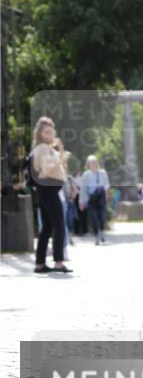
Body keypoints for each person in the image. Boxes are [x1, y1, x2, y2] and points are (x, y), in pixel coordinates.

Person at [29, 117, 71, 273]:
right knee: (59, 224)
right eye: (46, 131)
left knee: (47, 227)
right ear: (40, 133)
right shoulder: (42, 148)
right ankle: (59, 262)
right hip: (47, 187)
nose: (50, 133)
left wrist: (59, 152)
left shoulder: (47, 148)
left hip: (48, 188)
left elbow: (61, 171)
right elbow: (48, 170)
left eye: (51, 130)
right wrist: (61, 154)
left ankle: (40, 264)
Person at [80, 155, 110, 245]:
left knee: (102, 217)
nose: (93, 164)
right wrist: (81, 201)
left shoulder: (103, 172)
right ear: (88, 164)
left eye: (95, 162)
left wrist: (106, 194)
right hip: (91, 198)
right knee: (93, 218)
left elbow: (107, 184)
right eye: (91, 163)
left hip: (101, 196)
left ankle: (101, 232)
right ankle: (97, 235)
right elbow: (83, 189)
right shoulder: (86, 174)